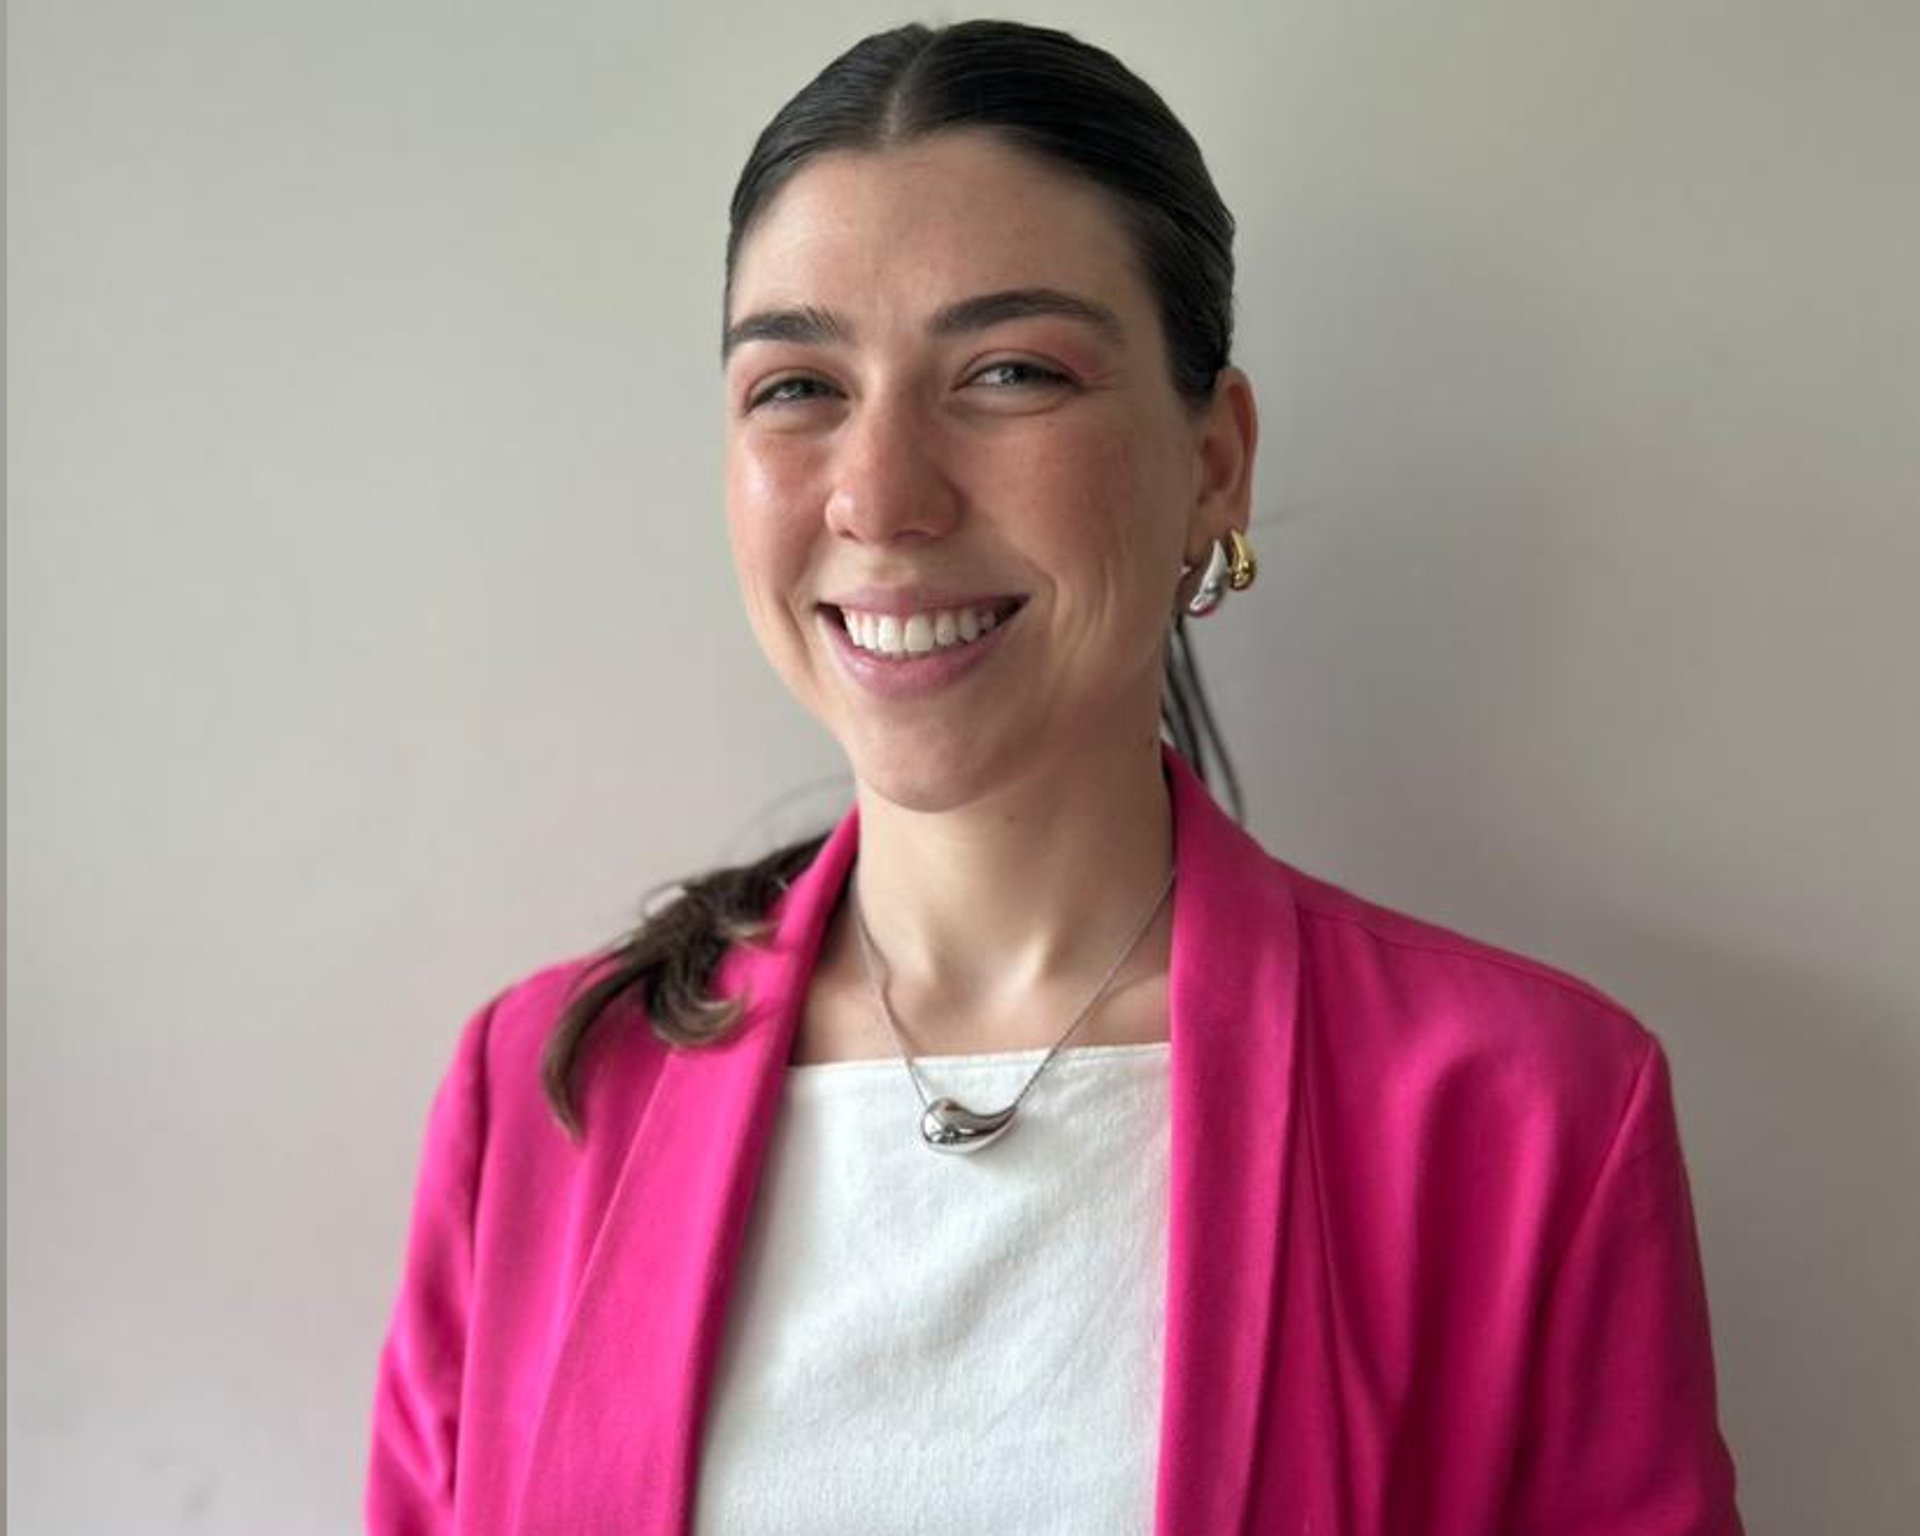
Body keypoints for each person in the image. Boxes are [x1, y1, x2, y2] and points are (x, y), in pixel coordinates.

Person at [366, 19, 1744, 1535]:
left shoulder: (1528, 1116)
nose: (882, 497)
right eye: (797, 386)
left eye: (1010, 371)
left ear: (1212, 463)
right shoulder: (543, 1098)